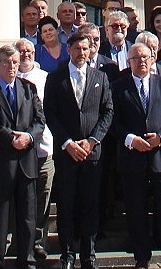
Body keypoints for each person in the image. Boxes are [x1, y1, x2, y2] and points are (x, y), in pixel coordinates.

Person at [112, 41, 161, 269]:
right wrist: (130, 140)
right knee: (136, 211)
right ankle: (142, 258)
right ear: (129, 62)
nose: (141, 61)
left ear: (152, 59)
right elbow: (111, 121)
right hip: (132, 158)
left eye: (145, 57)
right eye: (136, 58)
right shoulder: (118, 87)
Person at [0, 45, 46, 269]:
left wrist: (28, 137)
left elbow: (39, 120)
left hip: (26, 163)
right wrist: (10, 137)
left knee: (27, 218)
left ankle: (26, 261)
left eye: (15, 62)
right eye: (7, 62)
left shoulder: (29, 89)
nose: (12, 66)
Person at [44, 29, 113, 269]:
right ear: (68, 50)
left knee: (90, 204)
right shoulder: (56, 78)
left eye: (85, 48)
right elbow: (50, 113)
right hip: (66, 152)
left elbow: (108, 112)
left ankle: (88, 256)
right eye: (77, 49)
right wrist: (67, 143)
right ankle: (67, 255)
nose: (82, 53)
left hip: (92, 153)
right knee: (66, 204)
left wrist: (92, 140)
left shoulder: (100, 77)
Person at [15, 39, 56, 264]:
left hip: (43, 147)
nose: (25, 55)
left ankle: (38, 242)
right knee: (19, 197)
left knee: (42, 196)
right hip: (16, 149)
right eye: (21, 51)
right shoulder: (8, 77)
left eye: (29, 51)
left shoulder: (45, 78)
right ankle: (18, 241)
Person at [97, 8, 132, 75]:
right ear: (107, 29)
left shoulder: (133, 48)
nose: (119, 29)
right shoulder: (99, 50)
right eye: (115, 26)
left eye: (122, 26)